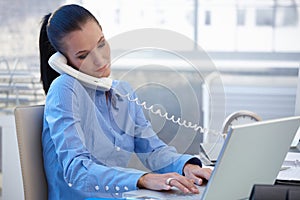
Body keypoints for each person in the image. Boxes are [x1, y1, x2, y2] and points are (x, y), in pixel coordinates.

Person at [39, 4, 212, 200]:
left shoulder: (122, 92)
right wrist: (143, 179)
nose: (99, 60)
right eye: (83, 55)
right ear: (63, 62)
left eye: (101, 44)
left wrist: (187, 167)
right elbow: (77, 170)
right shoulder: (64, 89)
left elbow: (153, 150)